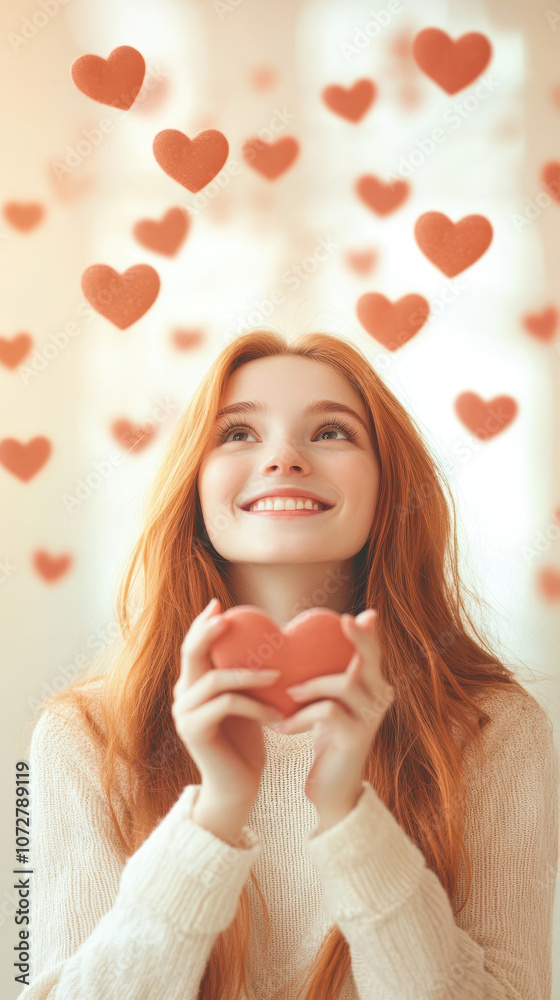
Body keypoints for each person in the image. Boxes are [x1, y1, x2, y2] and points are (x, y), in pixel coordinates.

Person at [19, 330, 559, 1000]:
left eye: (331, 432)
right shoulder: (85, 734)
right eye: (238, 433)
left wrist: (347, 812)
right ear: (193, 483)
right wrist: (213, 814)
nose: (283, 457)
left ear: (390, 486)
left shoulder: (494, 730)